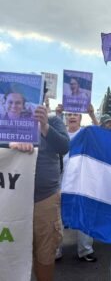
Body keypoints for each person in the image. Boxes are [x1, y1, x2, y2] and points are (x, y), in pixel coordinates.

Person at [8, 85, 69, 281]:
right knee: (13, 253)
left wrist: (44, 127)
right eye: (13, 102)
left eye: (22, 101)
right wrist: (11, 144)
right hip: (12, 201)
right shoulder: (5, 125)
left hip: (45, 200)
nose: (17, 105)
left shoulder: (54, 121)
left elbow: (64, 147)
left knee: (44, 252)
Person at [55, 112, 97, 263]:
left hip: (81, 181)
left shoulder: (86, 133)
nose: (72, 117)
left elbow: (102, 136)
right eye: (69, 114)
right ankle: (56, 250)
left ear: (80, 118)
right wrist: (56, 114)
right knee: (57, 216)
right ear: (65, 117)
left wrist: (92, 114)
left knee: (84, 214)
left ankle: (85, 250)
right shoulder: (60, 133)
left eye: (75, 114)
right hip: (60, 179)